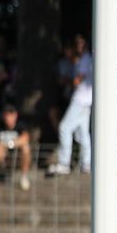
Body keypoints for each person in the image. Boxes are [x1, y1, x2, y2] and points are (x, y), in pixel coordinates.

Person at [49, 34, 93, 175]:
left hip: (80, 100)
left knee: (64, 128)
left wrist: (66, 81)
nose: (79, 46)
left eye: (82, 43)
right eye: (77, 43)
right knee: (82, 133)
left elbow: (77, 80)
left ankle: (64, 163)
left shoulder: (86, 59)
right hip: (85, 100)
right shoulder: (82, 59)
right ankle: (86, 164)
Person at [0, 105, 32, 191]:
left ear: (15, 115)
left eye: (11, 115)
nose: (9, 119)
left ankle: (24, 177)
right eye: (7, 116)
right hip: (1, 156)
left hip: (16, 156)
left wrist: (9, 144)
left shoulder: (21, 126)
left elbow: (26, 138)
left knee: (26, 148)